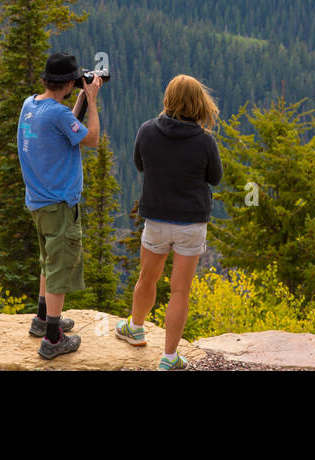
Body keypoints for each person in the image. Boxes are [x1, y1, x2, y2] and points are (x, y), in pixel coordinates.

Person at [116, 74, 222, 370]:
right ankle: (169, 358)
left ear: (169, 99)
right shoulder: (204, 141)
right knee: (180, 291)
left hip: (157, 219)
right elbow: (215, 178)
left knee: (147, 278)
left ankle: (136, 328)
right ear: (199, 103)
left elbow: (140, 164)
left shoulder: (147, 130)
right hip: (191, 223)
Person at [18, 52, 102, 360]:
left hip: (39, 202)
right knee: (59, 269)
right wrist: (91, 100)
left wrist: (80, 96)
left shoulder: (31, 106)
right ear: (68, 82)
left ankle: (43, 319)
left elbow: (65, 126)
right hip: (60, 204)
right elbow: (91, 139)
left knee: (47, 260)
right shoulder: (58, 114)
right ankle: (53, 339)